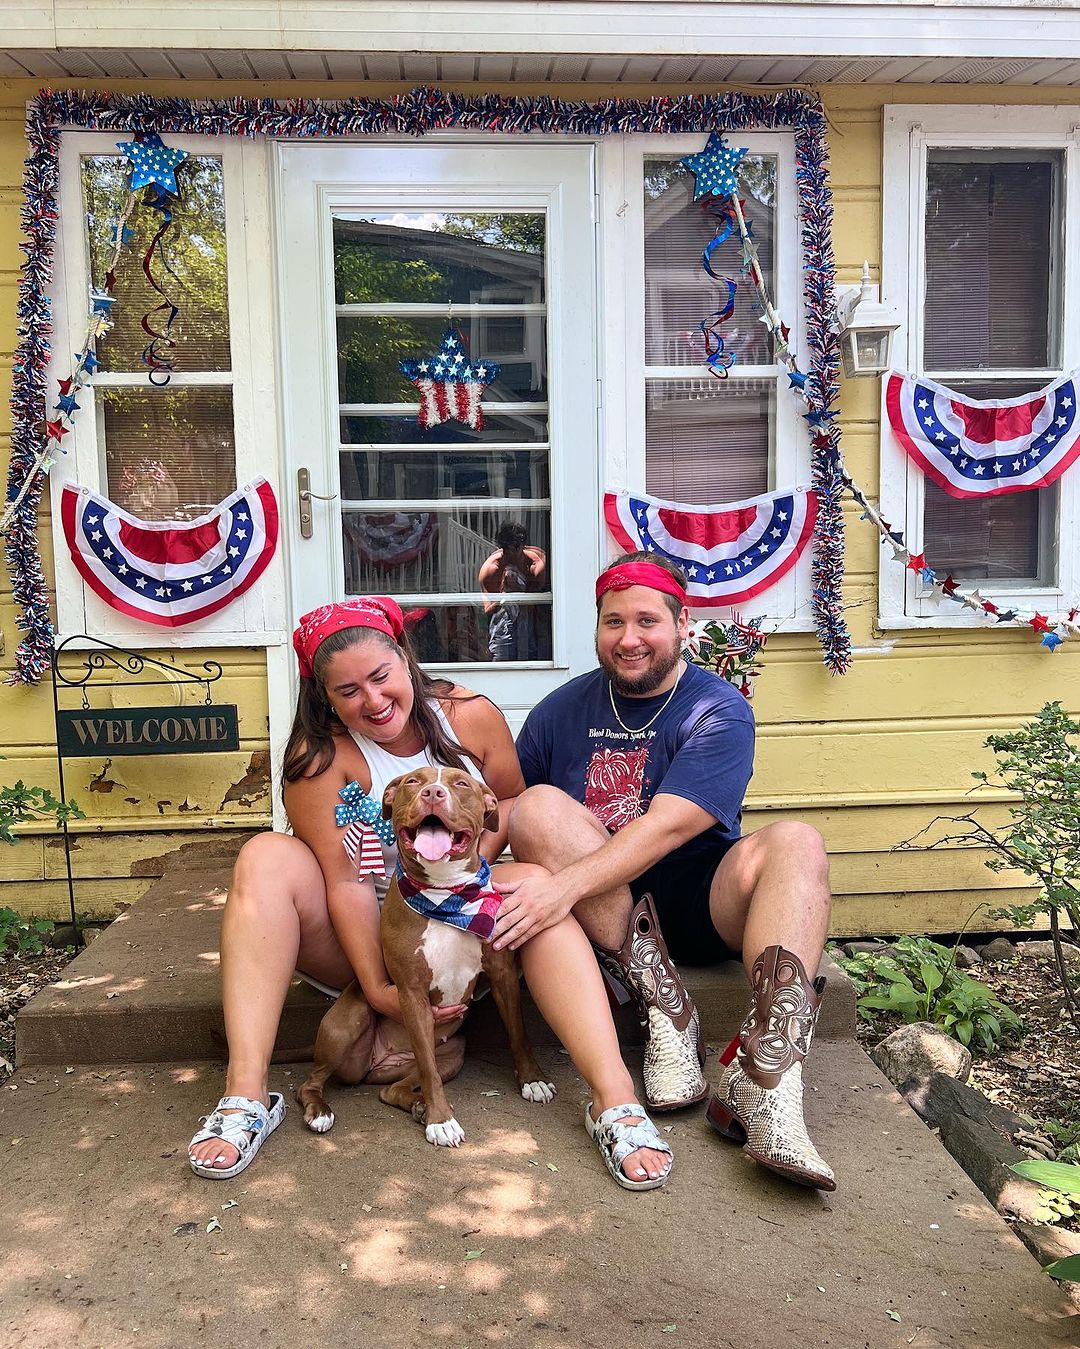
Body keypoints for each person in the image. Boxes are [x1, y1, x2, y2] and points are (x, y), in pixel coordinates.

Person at [188, 595, 673, 1191]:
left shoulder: (467, 715)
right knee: (265, 856)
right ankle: (244, 1096)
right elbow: (344, 882)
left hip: (461, 910)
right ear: (324, 697)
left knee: (539, 888)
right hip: (368, 932)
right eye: (347, 692)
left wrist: (460, 877)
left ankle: (614, 1099)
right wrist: (378, 987)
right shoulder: (320, 758)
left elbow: (511, 807)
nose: (371, 700)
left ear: (404, 659)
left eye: (381, 677)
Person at [495, 552, 836, 1191]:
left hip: (702, 896)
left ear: (683, 625)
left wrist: (558, 891)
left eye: (647, 621)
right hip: (609, 921)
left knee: (797, 840)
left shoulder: (717, 707)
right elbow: (512, 811)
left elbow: (669, 827)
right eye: (612, 622)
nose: (628, 639)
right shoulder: (557, 711)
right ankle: (665, 1006)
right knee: (538, 805)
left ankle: (768, 1078)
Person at [478, 522, 547, 661]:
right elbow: (488, 610)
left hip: (529, 622)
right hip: (503, 625)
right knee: (502, 659)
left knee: (530, 660)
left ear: (523, 547)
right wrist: (505, 595)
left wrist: (521, 592)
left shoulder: (536, 564)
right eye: (505, 550)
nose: (509, 556)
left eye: (515, 551)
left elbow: (536, 603)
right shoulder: (492, 570)